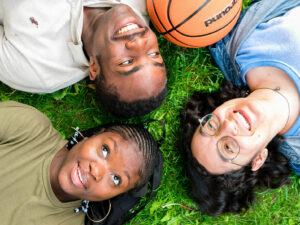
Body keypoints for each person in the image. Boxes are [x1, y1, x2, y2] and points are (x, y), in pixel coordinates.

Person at [181, 0, 300, 216]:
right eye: (228, 148)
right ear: (258, 159)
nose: (227, 125)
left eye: (211, 126)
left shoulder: (239, 44)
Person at [0, 101, 162, 224]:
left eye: (116, 179)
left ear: (113, 196)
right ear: (92, 136)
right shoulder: (30, 128)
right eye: (105, 150)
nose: (96, 171)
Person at [0, 1, 167, 118]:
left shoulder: (36, 67)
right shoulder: (150, 6)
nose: (139, 42)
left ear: (94, 68)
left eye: (126, 62)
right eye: (153, 54)